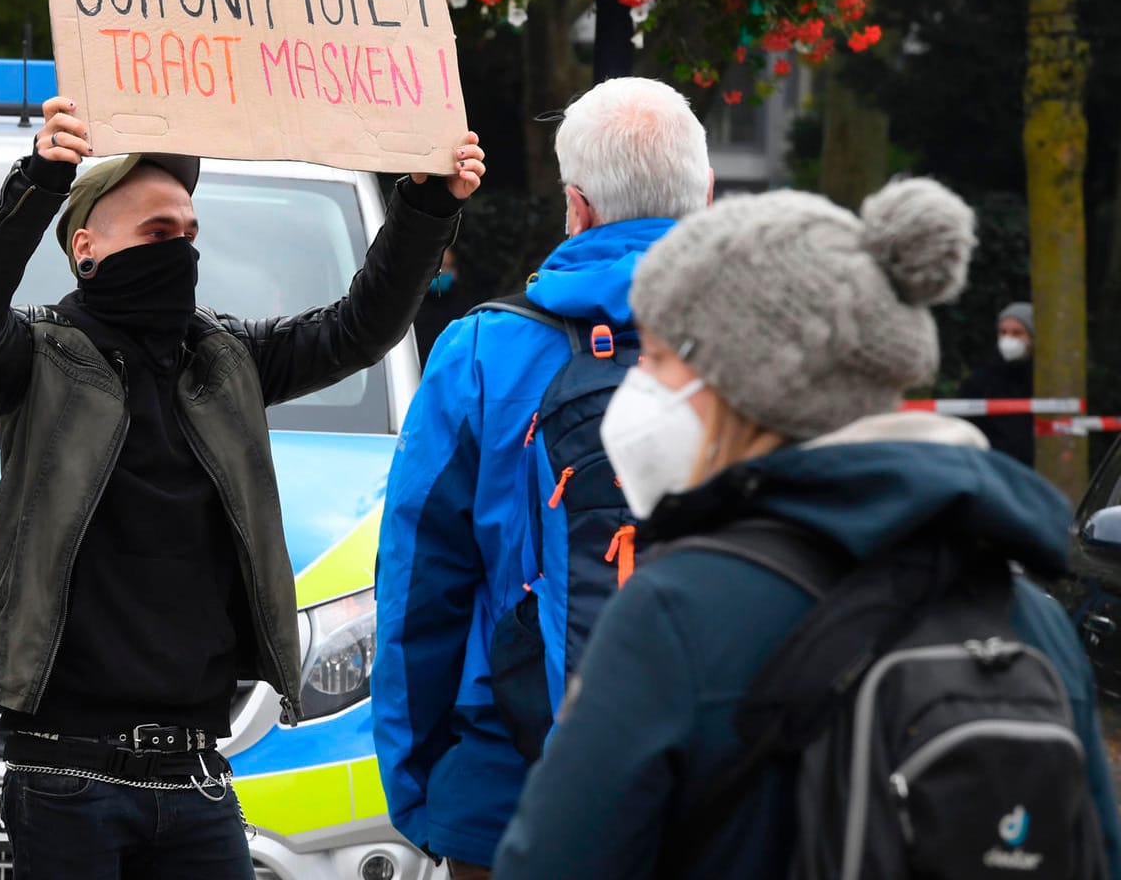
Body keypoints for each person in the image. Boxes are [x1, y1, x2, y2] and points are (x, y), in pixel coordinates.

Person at [490, 179, 1121, 878]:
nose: (641, 385)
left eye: (661, 359)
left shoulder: (678, 611)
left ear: (740, 382)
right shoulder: (1031, 618)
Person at [0, 95, 484, 878]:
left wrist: (428, 204)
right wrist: (42, 179)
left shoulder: (226, 360)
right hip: (67, 776)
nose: (180, 249)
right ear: (87, 248)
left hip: (197, 774)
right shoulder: (39, 361)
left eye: (190, 234)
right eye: (158, 233)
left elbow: (361, 326)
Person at [372, 77, 712, 876]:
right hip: (715, 792)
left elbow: (420, 590)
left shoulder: (481, 352)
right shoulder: (769, 350)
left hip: (509, 791)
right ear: (706, 193)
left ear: (578, 207)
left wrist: (429, 793)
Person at [959, 300, 1036, 465]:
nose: (1008, 339)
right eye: (1003, 332)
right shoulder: (980, 381)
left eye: (1017, 333)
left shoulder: (1045, 382)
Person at [413, 247, 465, 363]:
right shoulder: (411, 311)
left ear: (455, 271)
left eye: (446, 266)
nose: (441, 272)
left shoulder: (464, 311)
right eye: (437, 267)